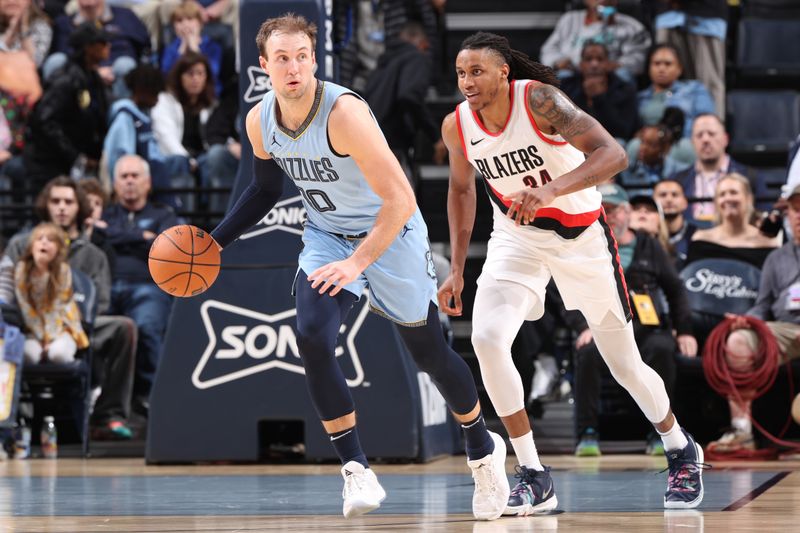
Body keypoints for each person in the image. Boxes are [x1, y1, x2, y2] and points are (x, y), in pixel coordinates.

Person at [207, 14, 508, 521]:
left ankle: (482, 450)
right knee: (312, 335)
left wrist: (357, 263)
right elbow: (263, 189)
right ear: (264, 67)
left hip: (390, 231)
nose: (294, 66)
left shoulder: (343, 113)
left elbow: (400, 197)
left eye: (302, 56)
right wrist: (214, 244)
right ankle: (356, 469)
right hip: (328, 235)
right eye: (282, 58)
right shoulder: (260, 122)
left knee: (429, 352)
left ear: (314, 59)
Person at [438, 31, 705, 513]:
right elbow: (461, 192)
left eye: (477, 71)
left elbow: (614, 154)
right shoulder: (457, 126)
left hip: (582, 238)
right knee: (487, 339)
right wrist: (457, 268)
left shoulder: (540, 101)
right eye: (461, 73)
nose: (467, 81)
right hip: (516, 238)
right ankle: (533, 473)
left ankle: (679, 446)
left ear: (504, 72)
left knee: (624, 364)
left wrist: (552, 189)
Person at [2, 177, 136, 439]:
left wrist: (66, 326)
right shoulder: (21, 244)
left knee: (125, 328)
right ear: (45, 205)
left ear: (80, 207)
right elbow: (6, 294)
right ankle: (10, 422)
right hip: (27, 326)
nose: (62, 207)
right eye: (55, 201)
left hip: (76, 327)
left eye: (68, 202)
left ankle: (108, 415)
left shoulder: (93, 254)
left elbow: (102, 302)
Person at [573, 183, 695, 457]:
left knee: (663, 350)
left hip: (646, 325)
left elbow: (675, 289)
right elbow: (564, 290)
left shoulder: (649, 246)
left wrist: (684, 330)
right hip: (603, 325)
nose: (610, 215)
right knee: (588, 353)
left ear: (627, 213)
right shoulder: (585, 244)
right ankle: (587, 434)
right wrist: (582, 326)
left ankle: (659, 432)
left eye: (616, 210)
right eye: (604, 209)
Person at [719, 185, 800, 451]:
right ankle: (742, 431)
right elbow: (762, 306)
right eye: (795, 209)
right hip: (783, 328)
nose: (798, 215)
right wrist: (746, 320)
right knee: (739, 340)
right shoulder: (776, 258)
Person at [103, 154, 177, 417]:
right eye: (124, 176)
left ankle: (152, 397)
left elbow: (168, 247)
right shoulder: (105, 213)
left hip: (148, 286)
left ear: (148, 183)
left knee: (146, 326)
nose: (130, 181)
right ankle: (100, 398)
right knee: (96, 329)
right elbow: (98, 234)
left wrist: (117, 236)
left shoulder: (163, 214)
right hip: (107, 286)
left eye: (135, 176)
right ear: (115, 183)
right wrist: (142, 237)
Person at [364, 20, 447, 187]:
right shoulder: (417, 57)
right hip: (393, 146)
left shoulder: (381, 66)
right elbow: (409, 96)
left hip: (367, 144)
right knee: (403, 207)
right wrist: (435, 136)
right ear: (423, 44)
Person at [668, 113, 769, 223]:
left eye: (711, 134)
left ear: (725, 139)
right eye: (699, 135)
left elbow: (763, 219)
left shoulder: (751, 177)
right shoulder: (676, 181)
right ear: (692, 142)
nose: (705, 140)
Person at [14, 223, 89, 365]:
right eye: (39, 238)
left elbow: (59, 307)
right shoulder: (21, 270)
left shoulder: (63, 270)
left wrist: (50, 338)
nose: (44, 242)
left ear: (59, 249)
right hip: (33, 330)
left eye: (50, 240)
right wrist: (41, 338)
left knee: (58, 355)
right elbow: (25, 307)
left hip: (62, 327)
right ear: (31, 246)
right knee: (27, 355)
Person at [539, 0, 651, 83]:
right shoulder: (569, 19)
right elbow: (549, 49)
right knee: (562, 76)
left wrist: (617, 65)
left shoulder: (632, 26)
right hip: (574, 72)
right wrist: (558, 62)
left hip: (610, 76)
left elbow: (637, 59)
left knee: (623, 75)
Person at [686, 173, 779, 270]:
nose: (727, 198)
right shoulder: (701, 240)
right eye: (722, 194)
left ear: (749, 199)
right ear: (716, 202)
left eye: (733, 192)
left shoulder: (766, 243)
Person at [559, 41, 638, 141]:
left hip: (611, 142)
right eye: (589, 59)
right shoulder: (567, 85)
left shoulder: (624, 89)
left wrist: (599, 98)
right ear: (581, 65)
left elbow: (623, 131)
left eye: (600, 59)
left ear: (608, 64)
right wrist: (584, 94)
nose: (594, 64)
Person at [653, 179, 696, 269]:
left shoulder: (697, 236)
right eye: (663, 195)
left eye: (675, 195)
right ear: (653, 201)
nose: (669, 199)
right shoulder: (647, 236)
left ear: (685, 202)